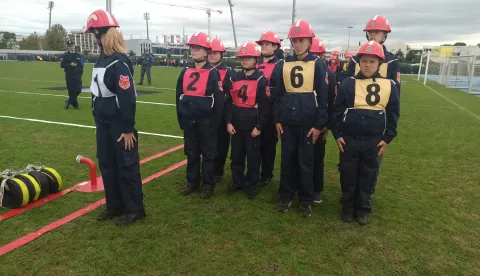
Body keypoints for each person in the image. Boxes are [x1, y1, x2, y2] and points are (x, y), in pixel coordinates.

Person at [85, 9, 145, 226]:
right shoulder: (102, 60)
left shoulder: (119, 62)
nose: (93, 37)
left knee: (126, 165)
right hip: (103, 122)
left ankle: (134, 208)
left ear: (102, 34)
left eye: (94, 33)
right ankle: (114, 205)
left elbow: (127, 98)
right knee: (107, 164)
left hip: (119, 124)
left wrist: (128, 128)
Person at [331, 41, 400, 225]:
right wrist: (337, 134)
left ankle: (362, 209)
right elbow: (337, 112)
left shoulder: (389, 85)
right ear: (359, 62)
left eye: (372, 61)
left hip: (374, 141)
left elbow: (394, 113)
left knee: (368, 175)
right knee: (348, 174)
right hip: (349, 140)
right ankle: (347, 208)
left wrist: (387, 138)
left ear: (379, 64)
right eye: (364, 61)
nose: (367, 65)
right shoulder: (348, 83)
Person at [275, 20, 329, 217]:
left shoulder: (318, 65)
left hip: (308, 124)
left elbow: (324, 99)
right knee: (287, 160)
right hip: (288, 122)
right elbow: (277, 96)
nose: (297, 44)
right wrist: (278, 119)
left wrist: (319, 125)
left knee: (306, 162)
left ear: (310, 41)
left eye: (301, 40)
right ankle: (286, 195)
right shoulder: (283, 64)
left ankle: (306, 199)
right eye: (294, 40)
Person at [176, 32, 224, 199]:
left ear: (206, 51)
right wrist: (181, 119)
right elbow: (178, 95)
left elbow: (219, 101)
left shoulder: (212, 72)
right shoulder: (185, 71)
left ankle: (208, 185)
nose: (194, 50)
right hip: (189, 120)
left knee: (209, 154)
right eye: (192, 47)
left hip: (207, 121)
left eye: (198, 48)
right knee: (191, 152)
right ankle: (192, 182)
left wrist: (215, 124)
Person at [224, 42, 270, 199]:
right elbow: (229, 103)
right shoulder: (234, 78)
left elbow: (265, 107)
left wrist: (259, 126)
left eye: (248, 57)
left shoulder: (261, 80)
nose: (244, 60)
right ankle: (237, 182)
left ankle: (251, 185)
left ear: (256, 59)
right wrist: (228, 122)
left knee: (253, 158)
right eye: (242, 57)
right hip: (236, 125)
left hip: (252, 126)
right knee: (236, 155)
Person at [309, 37, 337, 204]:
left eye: (317, 55)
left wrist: (326, 126)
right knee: (301, 157)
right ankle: (302, 185)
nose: (314, 58)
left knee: (317, 158)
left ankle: (317, 189)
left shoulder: (330, 75)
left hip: (320, 124)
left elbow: (332, 103)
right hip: (303, 122)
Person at [255, 31, 283, 187]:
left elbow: (280, 91)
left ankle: (266, 174)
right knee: (254, 143)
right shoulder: (255, 61)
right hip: (254, 110)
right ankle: (254, 171)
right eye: (262, 44)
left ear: (275, 46)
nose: (264, 46)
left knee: (268, 144)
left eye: (267, 44)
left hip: (271, 110)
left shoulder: (280, 64)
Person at [346, 15, 401, 95]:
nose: (372, 34)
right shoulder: (355, 59)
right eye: (370, 32)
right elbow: (346, 84)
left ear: (385, 35)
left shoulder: (392, 60)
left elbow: (396, 90)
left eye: (377, 32)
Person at [209, 38, 235, 183]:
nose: (212, 55)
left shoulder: (229, 71)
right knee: (208, 143)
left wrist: (229, 118)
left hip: (224, 113)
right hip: (207, 113)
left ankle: (218, 171)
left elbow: (231, 96)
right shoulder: (203, 69)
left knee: (222, 143)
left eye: (215, 52)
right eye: (210, 52)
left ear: (221, 54)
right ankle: (208, 168)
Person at [60, 40, 84, 109]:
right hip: (69, 75)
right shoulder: (65, 55)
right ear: (68, 47)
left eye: (72, 45)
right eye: (70, 46)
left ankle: (68, 101)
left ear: (74, 46)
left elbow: (81, 65)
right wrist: (70, 64)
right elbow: (62, 65)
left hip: (77, 75)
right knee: (71, 90)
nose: (72, 47)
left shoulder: (79, 55)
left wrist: (80, 73)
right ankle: (75, 104)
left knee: (78, 89)